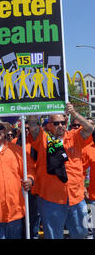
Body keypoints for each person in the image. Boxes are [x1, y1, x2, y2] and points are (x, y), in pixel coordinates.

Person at [27, 102, 94, 239]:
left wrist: (74, 114)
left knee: (81, 234)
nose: (60, 126)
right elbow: (33, 125)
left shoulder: (75, 136)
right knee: (53, 236)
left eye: (63, 122)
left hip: (76, 198)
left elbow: (89, 129)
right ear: (49, 125)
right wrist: (34, 106)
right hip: (51, 200)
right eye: (56, 123)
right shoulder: (43, 139)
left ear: (66, 121)